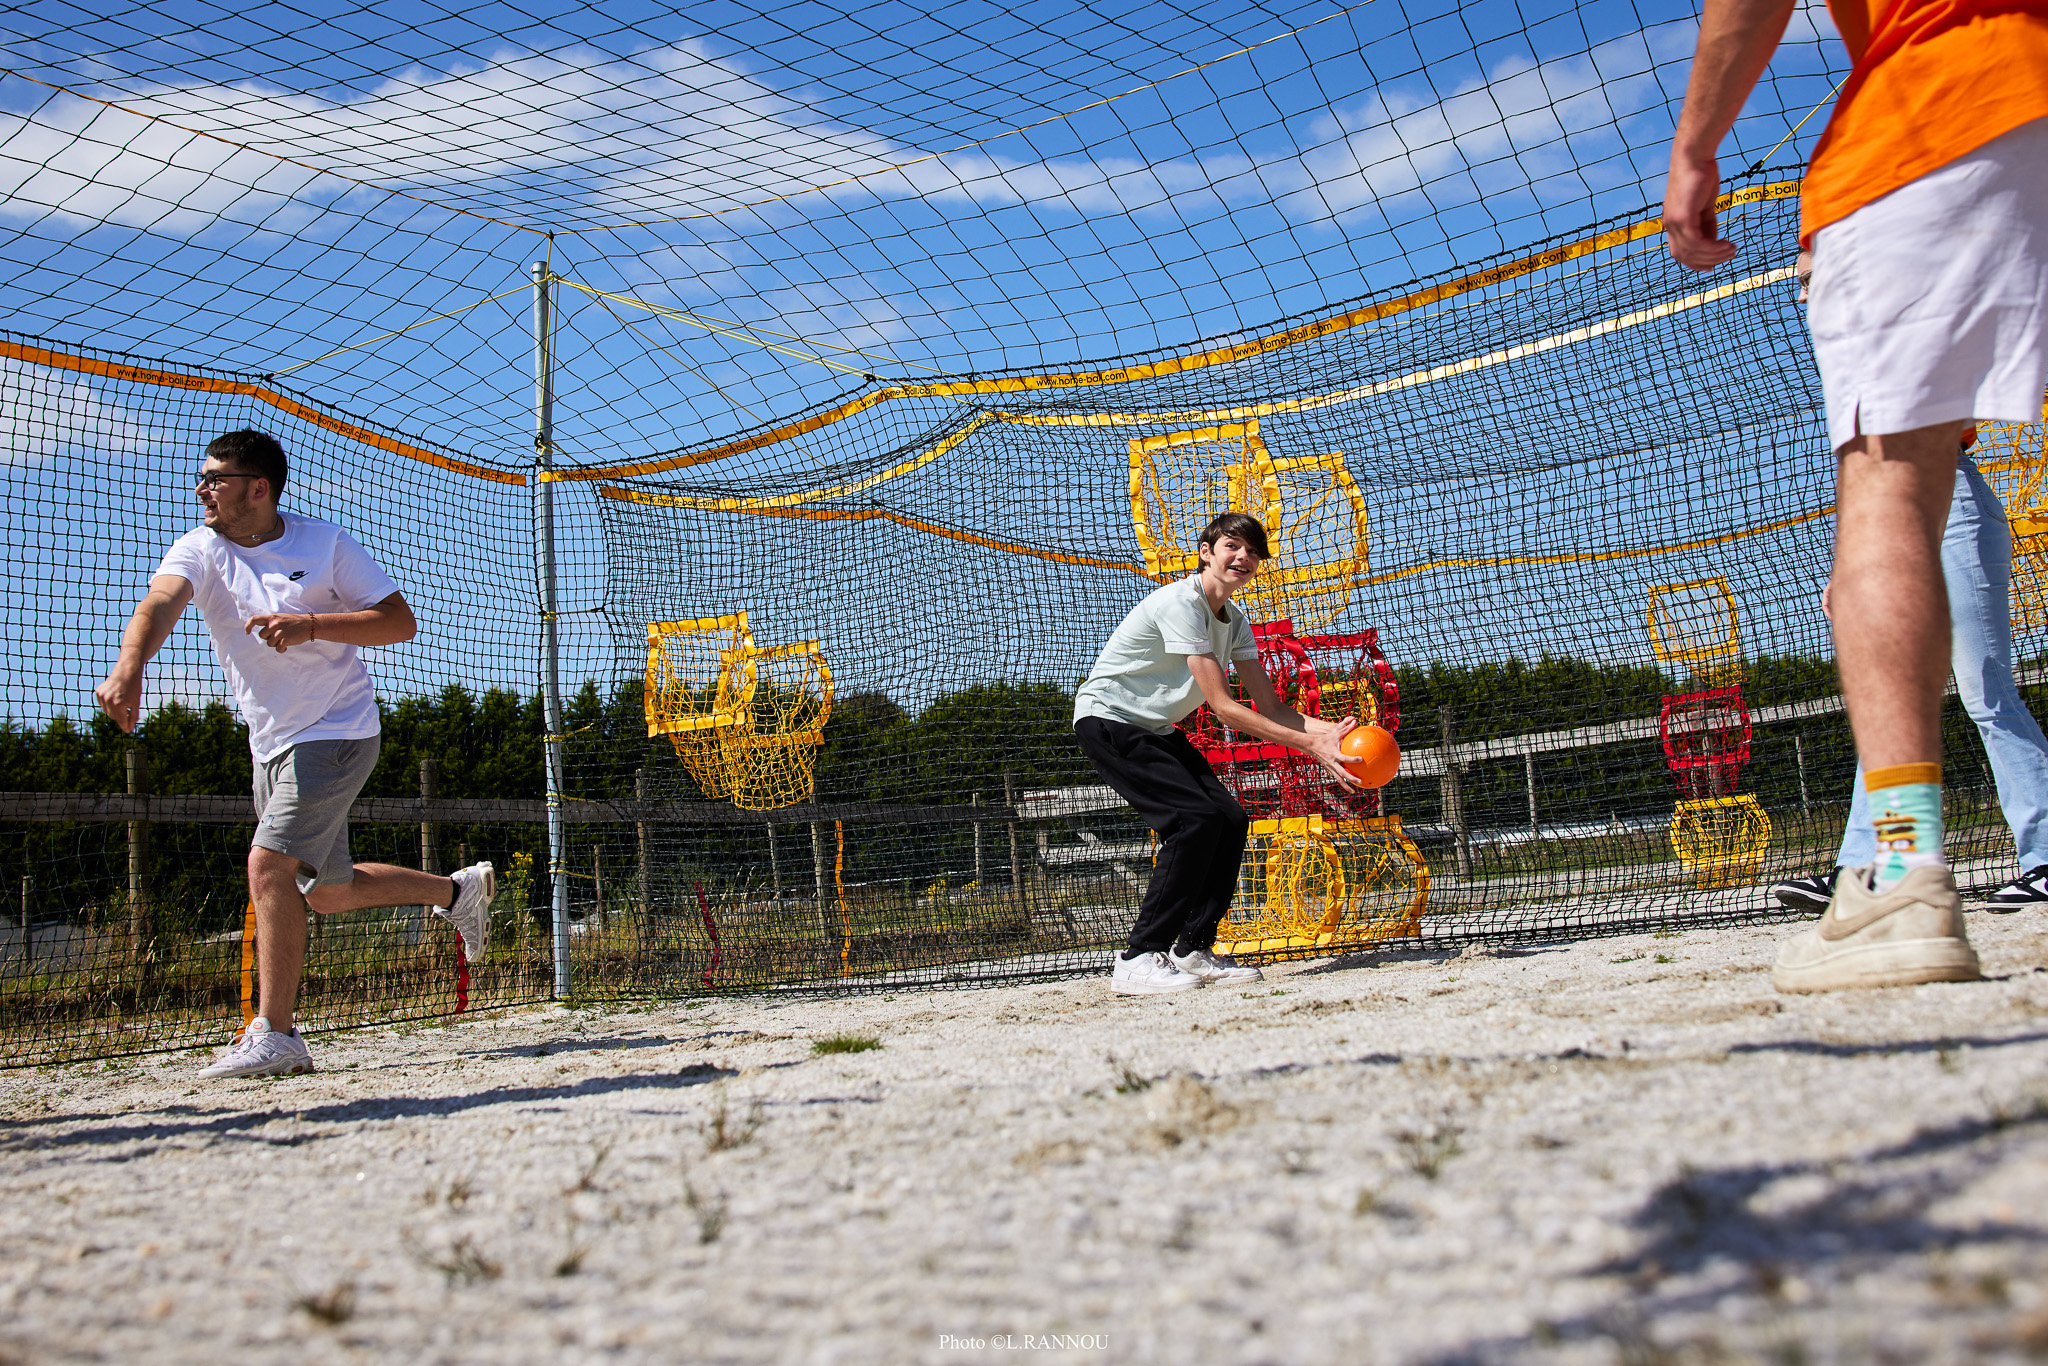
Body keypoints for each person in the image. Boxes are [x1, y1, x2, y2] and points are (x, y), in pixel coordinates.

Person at [1665, 0, 2048, 991]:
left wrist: (1695, 147)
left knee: (1887, 505)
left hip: (1937, 109)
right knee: (1924, 674)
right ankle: (1864, 866)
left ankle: (1906, 866)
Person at [95, 429, 494, 1076]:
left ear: (258, 487)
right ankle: (454, 892)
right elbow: (156, 606)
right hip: (273, 743)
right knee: (325, 892)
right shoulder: (200, 548)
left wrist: (311, 625)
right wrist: (129, 665)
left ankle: (277, 1035)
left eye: (214, 478)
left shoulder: (326, 543)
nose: (202, 489)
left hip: (337, 732)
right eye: (203, 478)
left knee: (267, 868)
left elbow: (398, 621)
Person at [1072, 512, 1360, 995]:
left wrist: (1331, 733)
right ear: (1207, 551)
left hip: (1154, 727)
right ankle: (1139, 956)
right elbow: (1224, 709)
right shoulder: (1182, 603)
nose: (1242, 556)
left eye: (1252, 551)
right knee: (1193, 820)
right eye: (1232, 545)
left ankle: (1193, 948)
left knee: (1227, 817)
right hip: (1109, 720)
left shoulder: (1236, 622)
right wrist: (1310, 746)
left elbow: (1270, 706)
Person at [1775, 427, 2048, 914]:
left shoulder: (1919, 355)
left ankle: (2045, 857)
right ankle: (1867, 868)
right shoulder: (1858, 372)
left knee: (1987, 692)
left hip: (1950, 495)